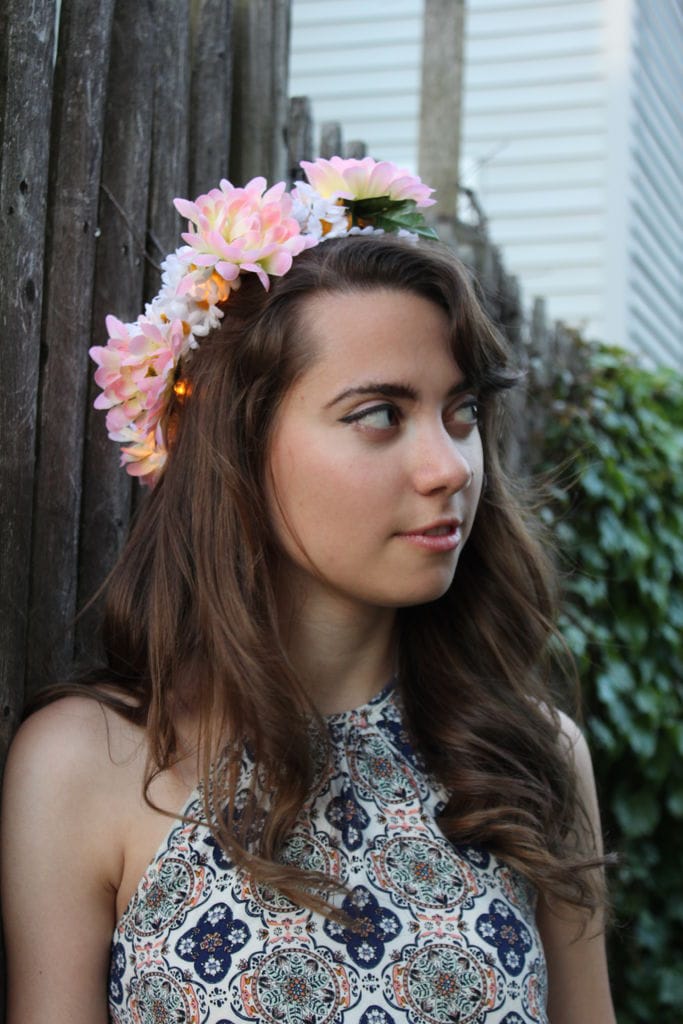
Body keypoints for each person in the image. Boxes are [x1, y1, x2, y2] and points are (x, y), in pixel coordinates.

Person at [1, 157, 615, 1023]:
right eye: (378, 415)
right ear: (240, 444)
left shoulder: (529, 758)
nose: (450, 467)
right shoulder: (89, 765)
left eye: (462, 412)